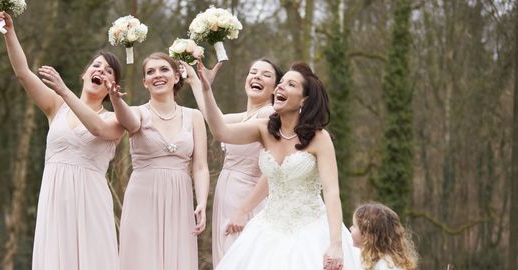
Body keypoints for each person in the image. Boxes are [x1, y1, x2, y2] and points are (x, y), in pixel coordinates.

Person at [192, 60, 361, 270]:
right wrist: (206, 90)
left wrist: (335, 244)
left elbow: (331, 191)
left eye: (291, 84)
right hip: (267, 229)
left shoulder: (319, 138)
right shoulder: (264, 129)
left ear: (304, 100)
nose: (281, 86)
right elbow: (221, 132)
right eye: (281, 82)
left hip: (310, 230)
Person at [0, 11, 124, 270]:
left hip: (91, 203)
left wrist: (63, 89)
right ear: (85, 74)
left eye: (108, 71)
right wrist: (9, 32)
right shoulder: (56, 106)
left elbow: (96, 128)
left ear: (112, 85)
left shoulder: (116, 119)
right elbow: (22, 73)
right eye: (96, 65)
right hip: (55, 198)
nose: (101, 70)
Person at [109, 52, 210, 270]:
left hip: (180, 199)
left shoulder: (194, 117)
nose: (157, 75)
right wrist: (116, 100)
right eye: (150, 72)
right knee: (142, 260)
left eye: (164, 69)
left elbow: (200, 166)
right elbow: (127, 120)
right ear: (145, 82)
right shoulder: (137, 113)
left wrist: (201, 201)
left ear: (176, 77)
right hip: (143, 199)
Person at [182, 59, 283, 266]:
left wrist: (244, 211)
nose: (257, 76)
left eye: (266, 74)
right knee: (227, 258)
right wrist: (197, 82)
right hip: (226, 195)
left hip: (247, 197)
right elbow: (214, 120)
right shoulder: (246, 117)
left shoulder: (270, 114)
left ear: (275, 87)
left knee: (242, 259)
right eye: (253, 71)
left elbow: (275, 169)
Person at [350, 202, 419, 270]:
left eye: (355, 226)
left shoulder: (386, 265)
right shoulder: (373, 261)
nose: (350, 228)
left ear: (367, 234)